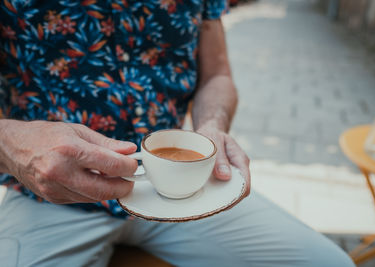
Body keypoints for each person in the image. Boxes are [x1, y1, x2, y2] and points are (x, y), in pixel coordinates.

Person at [0, 1, 354, 266]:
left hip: (183, 192)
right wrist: (14, 145)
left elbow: (217, 74)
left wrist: (212, 127)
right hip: (50, 199)